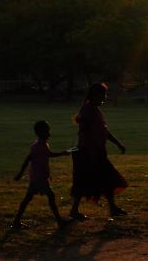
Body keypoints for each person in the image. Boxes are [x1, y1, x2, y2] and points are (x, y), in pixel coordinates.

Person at [69, 82, 128, 220]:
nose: (105, 98)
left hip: (95, 152)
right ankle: (74, 211)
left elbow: (104, 131)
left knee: (106, 178)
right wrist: (92, 153)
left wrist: (118, 144)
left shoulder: (93, 110)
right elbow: (86, 134)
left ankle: (112, 207)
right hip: (87, 153)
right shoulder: (88, 111)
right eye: (103, 95)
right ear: (95, 95)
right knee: (83, 182)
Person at [11, 120, 71, 229]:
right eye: (46, 131)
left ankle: (16, 221)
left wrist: (63, 153)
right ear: (40, 133)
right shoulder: (38, 146)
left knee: (28, 198)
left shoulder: (42, 144)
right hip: (39, 178)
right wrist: (20, 173)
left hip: (37, 177)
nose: (49, 134)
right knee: (50, 196)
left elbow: (49, 155)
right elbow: (28, 158)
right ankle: (59, 221)